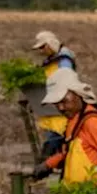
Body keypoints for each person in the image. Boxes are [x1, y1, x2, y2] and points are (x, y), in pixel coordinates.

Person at [30, 30, 78, 158]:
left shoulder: (64, 59)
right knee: (53, 132)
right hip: (52, 104)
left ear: (50, 44)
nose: (41, 51)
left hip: (62, 103)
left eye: (42, 47)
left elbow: (66, 78)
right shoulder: (51, 59)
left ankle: (50, 160)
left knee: (58, 134)